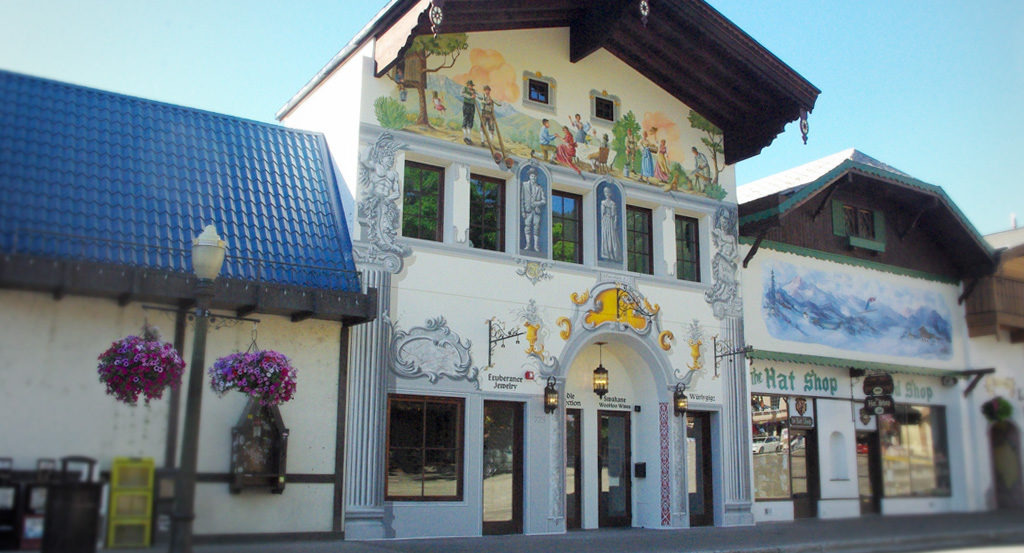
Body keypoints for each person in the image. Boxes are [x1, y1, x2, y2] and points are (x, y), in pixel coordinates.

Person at [520, 169, 546, 252]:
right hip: (527, 210)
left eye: (534, 176)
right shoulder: (524, 185)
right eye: (532, 176)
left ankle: (536, 246)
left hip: (536, 211)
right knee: (527, 227)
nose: (533, 178)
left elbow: (544, 201)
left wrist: (536, 203)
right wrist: (522, 211)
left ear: (536, 177)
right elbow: (522, 199)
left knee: (536, 228)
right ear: (529, 176)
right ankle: (528, 244)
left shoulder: (539, 187)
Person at [599, 187, 621, 262]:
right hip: (605, 221)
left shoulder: (612, 203)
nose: (607, 194)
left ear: (611, 193)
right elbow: (602, 213)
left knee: (612, 236)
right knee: (605, 235)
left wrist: (615, 222)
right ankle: (606, 253)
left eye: (608, 192)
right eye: (605, 192)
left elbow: (615, 214)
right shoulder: (603, 202)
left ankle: (613, 254)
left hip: (610, 221)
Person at [461, 80, 477, 144]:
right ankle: (465, 137)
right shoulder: (464, 89)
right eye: (469, 85)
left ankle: (469, 138)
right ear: (467, 85)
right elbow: (462, 94)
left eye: (471, 85)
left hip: (472, 106)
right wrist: (470, 97)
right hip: (466, 105)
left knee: (471, 120)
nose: (471, 86)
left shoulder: (474, 91)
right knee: (465, 119)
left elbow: (477, 95)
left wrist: (475, 95)